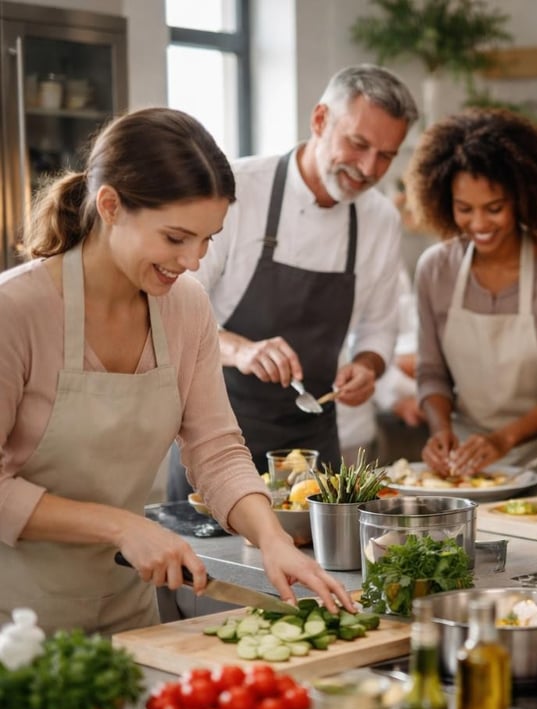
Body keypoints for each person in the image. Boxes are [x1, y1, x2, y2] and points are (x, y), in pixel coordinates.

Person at [0, 108, 356, 635]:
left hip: (128, 612)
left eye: (208, 239)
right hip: (16, 621)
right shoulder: (17, 310)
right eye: (175, 238)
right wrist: (119, 525)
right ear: (111, 206)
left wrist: (273, 539)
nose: (193, 260)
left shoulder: (185, 307)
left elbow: (214, 446)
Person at [167, 64, 418, 500]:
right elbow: (173, 311)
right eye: (358, 144)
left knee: (318, 568)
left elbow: (379, 327)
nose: (368, 168)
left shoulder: (380, 219)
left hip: (316, 446)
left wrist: (368, 366)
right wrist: (242, 350)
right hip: (217, 434)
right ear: (320, 120)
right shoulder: (237, 188)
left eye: (386, 156)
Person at [405, 109, 537, 486]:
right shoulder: (435, 269)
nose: (479, 224)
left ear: (522, 199)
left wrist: (503, 439)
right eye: (464, 209)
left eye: (494, 208)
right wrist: (439, 430)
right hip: (465, 469)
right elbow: (432, 373)